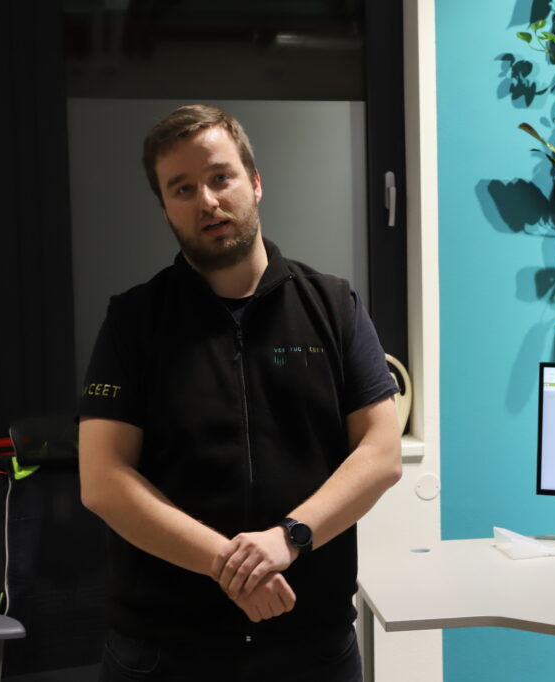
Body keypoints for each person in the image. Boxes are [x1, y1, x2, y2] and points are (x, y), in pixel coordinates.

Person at [78, 104, 402, 681]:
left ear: (254, 182)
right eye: (182, 188)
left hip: (311, 645)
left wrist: (290, 537)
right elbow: (103, 480)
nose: (206, 201)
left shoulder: (333, 305)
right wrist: (228, 564)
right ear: (165, 207)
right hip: (163, 650)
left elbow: (381, 453)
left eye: (220, 177)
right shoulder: (134, 321)